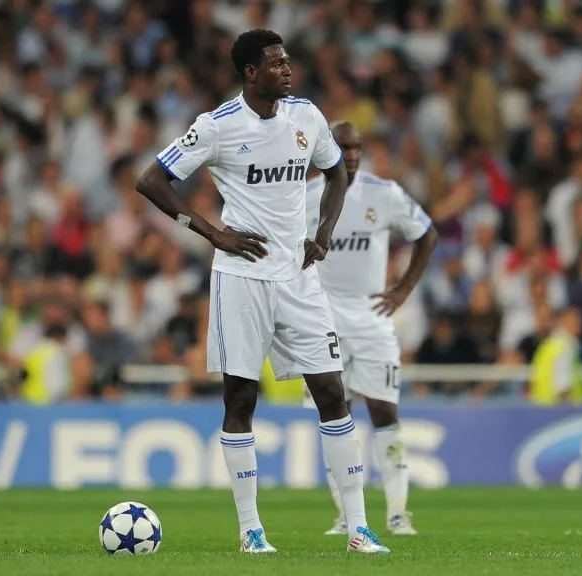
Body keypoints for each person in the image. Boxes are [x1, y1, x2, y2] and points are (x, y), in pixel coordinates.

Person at [135, 29, 389, 554]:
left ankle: (359, 527)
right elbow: (151, 181)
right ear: (250, 72)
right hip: (242, 279)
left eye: (287, 61)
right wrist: (213, 233)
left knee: (332, 393)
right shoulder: (218, 125)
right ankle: (251, 530)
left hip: (299, 279)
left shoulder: (307, 116)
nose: (287, 70)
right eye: (275, 63)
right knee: (241, 399)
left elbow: (337, 174)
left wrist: (323, 235)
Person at [302, 122, 438, 536]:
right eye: (344, 147)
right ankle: (346, 514)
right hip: (322, 320)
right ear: (326, 149)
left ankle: (397, 512)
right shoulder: (304, 196)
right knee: (333, 413)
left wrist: (403, 290)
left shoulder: (384, 193)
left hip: (372, 319)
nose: (352, 156)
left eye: (357, 148)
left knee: (384, 411)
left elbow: (427, 234)